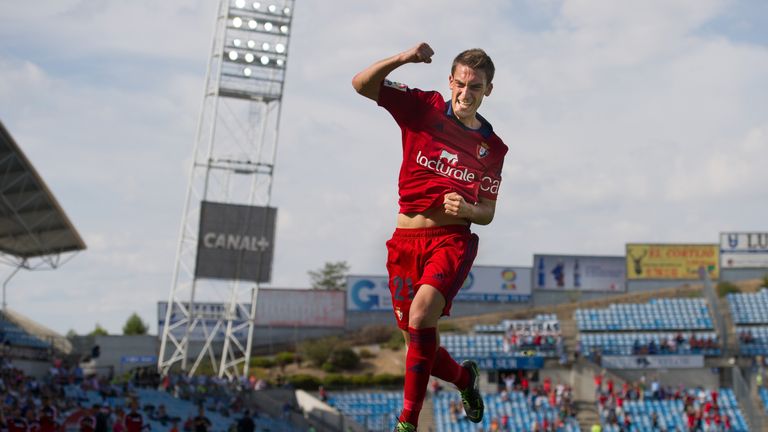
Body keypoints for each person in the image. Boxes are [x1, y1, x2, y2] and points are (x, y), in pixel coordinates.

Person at [352, 42, 508, 432]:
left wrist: (469, 211)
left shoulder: (491, 148)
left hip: (450, 240)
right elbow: (360, 84)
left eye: (475, 87)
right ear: (450, 81)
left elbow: (487, 211)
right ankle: (464, 380)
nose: (465, 93)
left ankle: (407, 423)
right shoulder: (423, 107)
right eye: (460, 84)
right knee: (415, 343)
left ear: (488, 90)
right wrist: (402, 58)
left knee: (422, 317)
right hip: (404, 243)